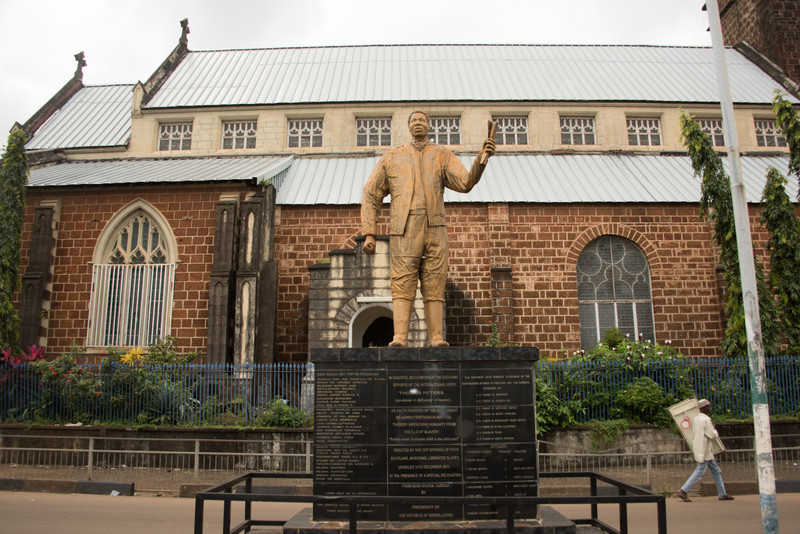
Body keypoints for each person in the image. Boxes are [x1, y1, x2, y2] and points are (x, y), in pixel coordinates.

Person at [361, 111, 496, 347]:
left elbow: (465, 183)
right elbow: (371, 194)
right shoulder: (392, 157)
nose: (418, 124)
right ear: (408, 126)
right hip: (404, 228)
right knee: (402, 281)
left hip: (435, 226)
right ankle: (400, 337)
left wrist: (482, 159)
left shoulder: (442, 155)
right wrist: (369, 232)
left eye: (422, 120)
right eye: (413, 121)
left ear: (429, 125)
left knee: (435, 280)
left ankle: (436, 337)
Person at [677, 399, 735, 502]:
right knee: (700, 471)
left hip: (701, 449)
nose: (710, 408)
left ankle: (722, 493)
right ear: (704, 408)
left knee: (716, 471)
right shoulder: (706, 420)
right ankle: (683, 490)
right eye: (708, 406)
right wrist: (714, 429)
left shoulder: (696, 419)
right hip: (705, 450)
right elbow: (712, 435)